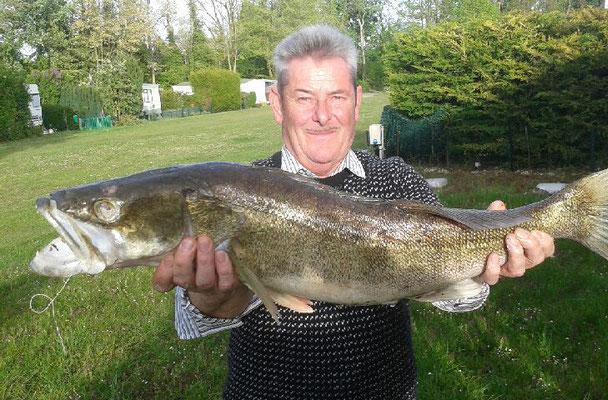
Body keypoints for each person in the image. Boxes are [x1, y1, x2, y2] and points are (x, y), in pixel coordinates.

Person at [152, 25, 554, 399]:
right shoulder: (238, 190)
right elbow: (192, 324)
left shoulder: (395, 179)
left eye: (337, 97)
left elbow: (456, 300)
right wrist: (209, 300)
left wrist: (486, 271)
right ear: (277, 104)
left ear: (357, 102)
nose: (322, 115)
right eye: (304, 98)